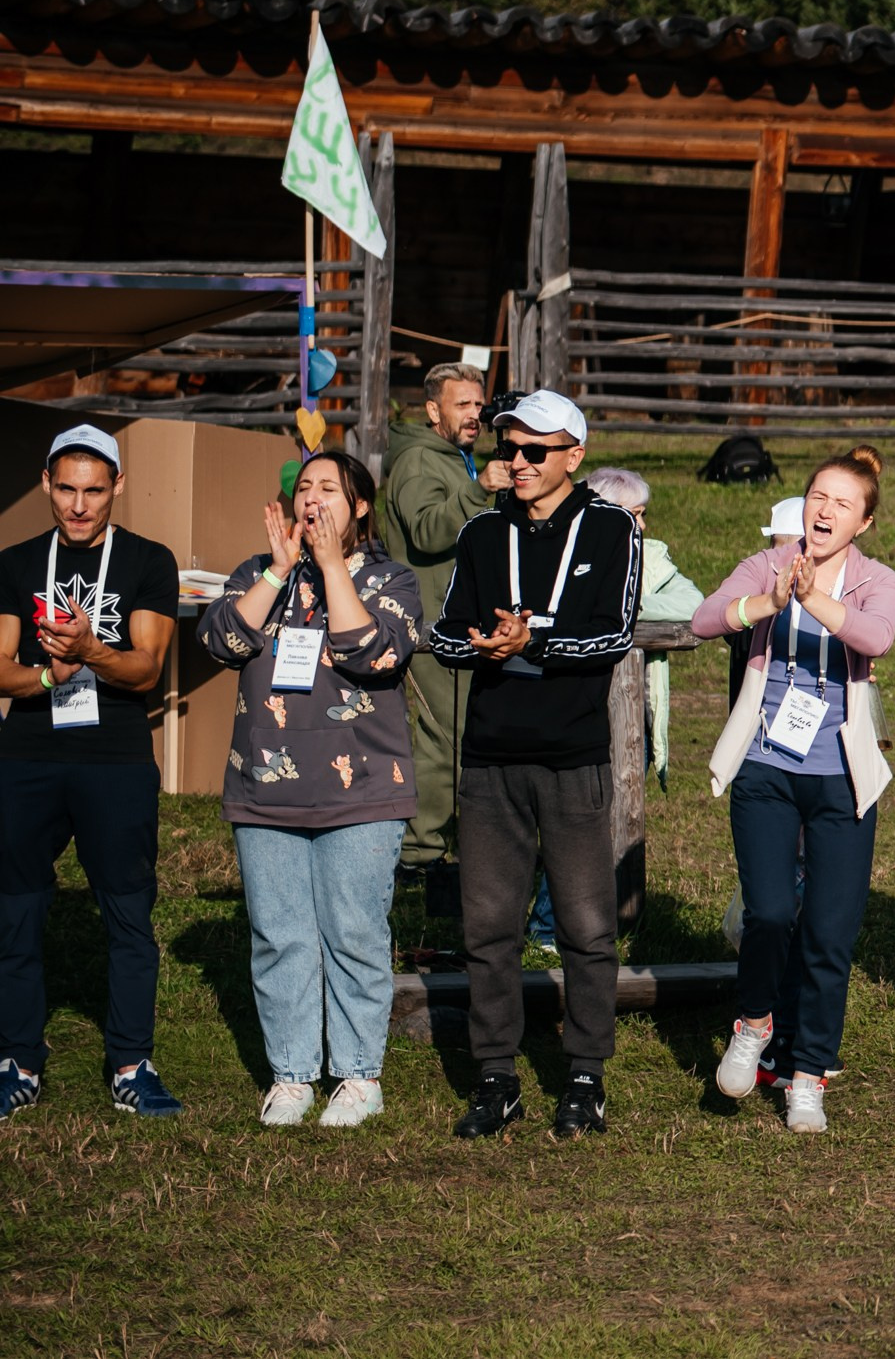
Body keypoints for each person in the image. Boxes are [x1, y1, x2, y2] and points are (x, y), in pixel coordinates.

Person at [429, 389, 641, 1142]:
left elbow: (614, 633)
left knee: (587, 927)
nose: (515, 463)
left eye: (533, 451)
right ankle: (496, 1076)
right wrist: (480, 647)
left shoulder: (613, 527)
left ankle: (585, 1074)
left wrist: (534, 646)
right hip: (490, 759)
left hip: (571, 759)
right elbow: (445, 632)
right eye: (507, 450)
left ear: (573, 457)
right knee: (488, 928)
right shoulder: (484, 533)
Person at [198, 452, 421, 1128]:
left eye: (330, 490)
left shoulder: (390, 579)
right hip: (265, 786)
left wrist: (327, 566)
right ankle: (292, 1075)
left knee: (353, 932)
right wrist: (274, 570)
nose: (312, 500)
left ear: (359, 508)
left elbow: (373, 652)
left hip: (364, 792)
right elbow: (219, 640)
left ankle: (358, 1077)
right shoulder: (257, 574)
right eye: (303, 490)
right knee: (280, 936)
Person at [695, 445, 895, 1135]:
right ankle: (754, 1023)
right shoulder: (768, 565)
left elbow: (875, 638)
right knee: (771, 912)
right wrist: (769, 600)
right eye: (818, 497)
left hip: (842, 775)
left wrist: (815, 600)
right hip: (767, 766)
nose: (825, 510)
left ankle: (807, 1074)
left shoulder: (877, 580)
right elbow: (703, 619)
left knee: (829, 934)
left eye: (843, 503)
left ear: (862, 522)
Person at [0, 426, 184, 1120]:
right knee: (15, 909)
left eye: (94, 491)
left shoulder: (146, 560)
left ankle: (132, 1063)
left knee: (128, 910)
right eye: (67, 490)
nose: (80, 507)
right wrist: (51, 671)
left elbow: (145, 667)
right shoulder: (15, 563)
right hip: (26, 757)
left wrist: (89, 650)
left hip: (115, 757)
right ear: (47, 485)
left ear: (118, 488)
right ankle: (17, 1059)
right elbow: (2, 667)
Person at [385, 362, 512, 890]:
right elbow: (428, 530)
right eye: (462, 405)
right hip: (431, 626)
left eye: (478, 405)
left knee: (459, 737)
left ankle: (445, 842)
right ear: (433, 409)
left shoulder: (454, 458)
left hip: (459, 625)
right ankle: (419, 855)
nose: (474, 414)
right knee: (442, 741)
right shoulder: (418, 460)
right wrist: (478, 489)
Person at [584, 468, 704, 790]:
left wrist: (628, 607)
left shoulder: (650, 556)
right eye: (634, 515)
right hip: (580, 708)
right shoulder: (573, 557)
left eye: (643, 514)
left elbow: (693, 604)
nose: (643, 525)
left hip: (635, 710)